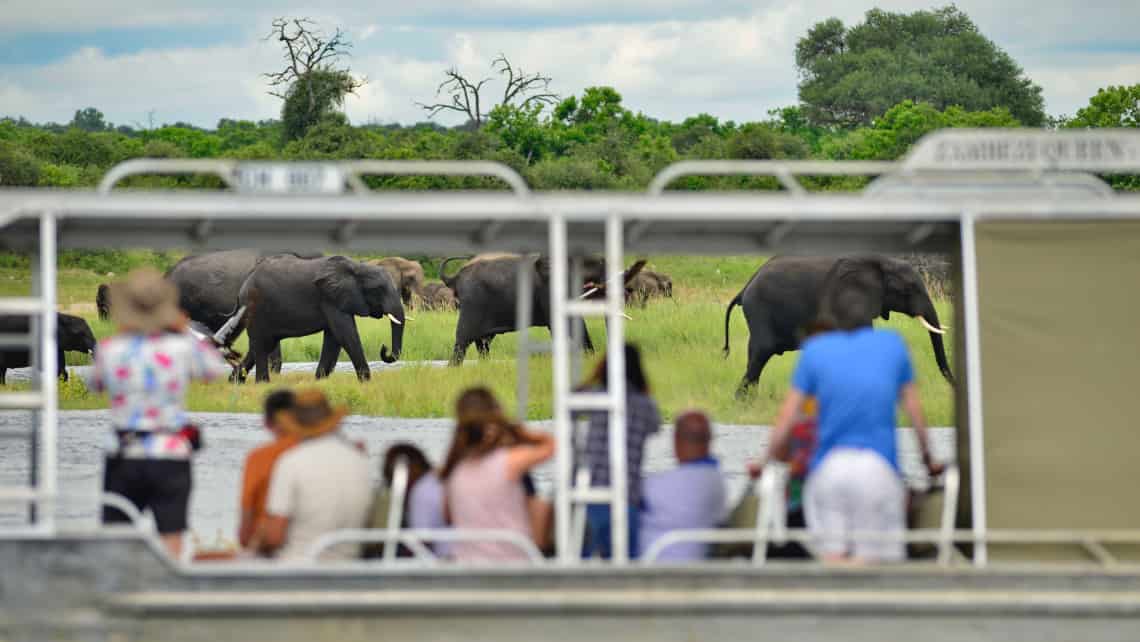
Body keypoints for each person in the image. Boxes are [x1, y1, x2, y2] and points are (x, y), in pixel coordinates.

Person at [752, 276, 944, 564]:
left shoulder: (816, 351)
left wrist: (763, 461)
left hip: (828, 472)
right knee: (878, 561)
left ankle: (839, 577)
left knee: (832, 556)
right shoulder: (892, 345)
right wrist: (928, 459)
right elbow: (915, 413)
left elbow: (787, 417)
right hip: (878, 469)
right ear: (870, 313)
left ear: (834, 318)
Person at [92, 267, 230, 559]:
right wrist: (183, 330)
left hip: (124, 452)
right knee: (172, 534)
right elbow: (214, 369)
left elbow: (95, 384)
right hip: (171, 451)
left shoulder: (110, 349)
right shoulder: (181, 348)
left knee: (116, 535)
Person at [441, 387, 555, 562]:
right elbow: (550, 445)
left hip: (467, 565)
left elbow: (448, 516)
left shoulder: (454, 470)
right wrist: (520, 431)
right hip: (511, 563)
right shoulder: (508, 462)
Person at [261, 389, 372, 562]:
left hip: (297, 570)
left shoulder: (291, 463)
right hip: (349, 569)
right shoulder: (360, 461)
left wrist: (258, 540)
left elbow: (274, 537)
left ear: (295, 425)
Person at [579, 343, 661, 560]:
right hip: (627, 495)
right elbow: (655, 426)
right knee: (627, 563)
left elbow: (572, 399)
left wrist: (595, 376)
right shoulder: (646, 405)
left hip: (592, 493)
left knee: (583, 564)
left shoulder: (597, 396)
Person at [638, 410, 726, 562]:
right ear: (710, 441)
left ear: (676, 441)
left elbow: (631, 497)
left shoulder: (660, 485)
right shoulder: (716, 481)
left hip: (655, 568)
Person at [238, 389, 298, 554]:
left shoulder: (259, 458)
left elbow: (244, 535)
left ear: (266, 422)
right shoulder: (315, 453)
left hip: (269, 551)